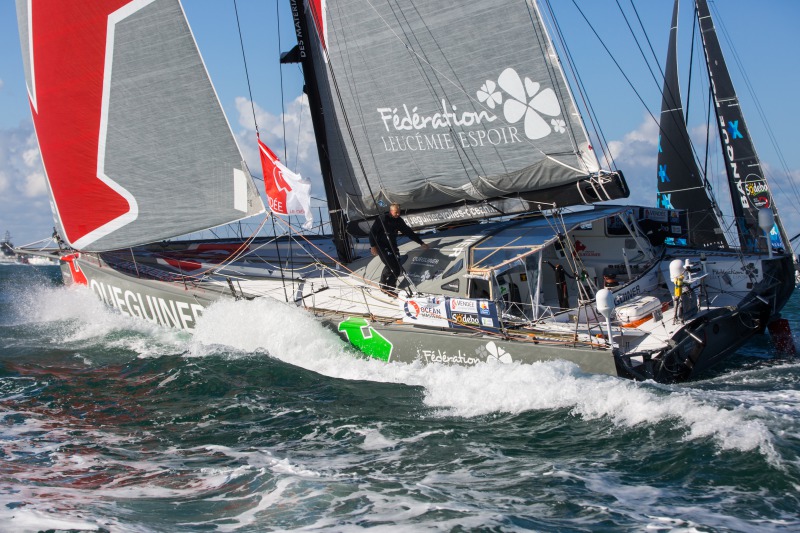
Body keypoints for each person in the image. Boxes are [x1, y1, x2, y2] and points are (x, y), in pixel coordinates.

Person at [369, 203, 429, 295]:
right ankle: (388, 288)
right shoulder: (383, 218)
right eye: (396, 212)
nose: (398, 214)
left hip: (392, 246)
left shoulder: (399, 221)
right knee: (393, 267)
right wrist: (373, 246)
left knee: (395, 266)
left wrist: (421, 243)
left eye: (399, 212)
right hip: (381, 246)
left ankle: (385, 285)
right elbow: (372, 232)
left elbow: (408, 232)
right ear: (391, 211)